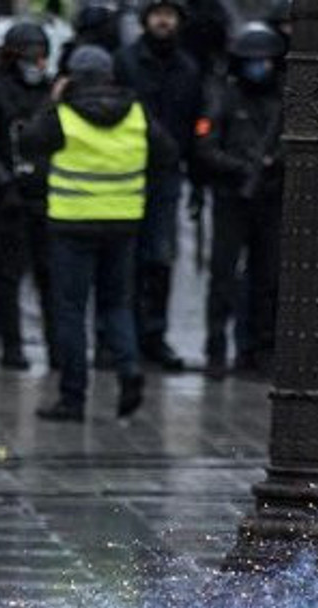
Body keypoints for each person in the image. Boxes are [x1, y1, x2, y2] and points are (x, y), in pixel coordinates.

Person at [20, 45, 177, 422]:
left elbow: (27, 142)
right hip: (123, 223)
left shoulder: (63, 114)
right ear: (109, 75)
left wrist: (50, 101)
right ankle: (130, 369)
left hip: (71, 224)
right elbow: (168, 153)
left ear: (72, 77)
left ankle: (73, 398)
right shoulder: (136, 112)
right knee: (117, 304)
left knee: (72, 311)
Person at [114, 0, 203, 372]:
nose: (163, 21)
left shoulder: (188, 67)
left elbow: (194, 124)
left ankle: (154, 334)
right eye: (157, 13)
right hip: (126, 171)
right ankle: (124, 335)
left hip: (167, 175)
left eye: (170, 14)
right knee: (126, 258)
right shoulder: (126, 61)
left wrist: (196, 179)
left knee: (160, 257)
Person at [196, 23, 285, 381]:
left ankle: (258, 351)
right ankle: (216, 350)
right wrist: (240, 168)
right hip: (232, 196)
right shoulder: (222, 96)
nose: (258, 67)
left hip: (269, 198)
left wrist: (273, 164)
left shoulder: (283, 99)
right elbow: (205, 147)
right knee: (223, 276)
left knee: (268, 277)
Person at [0, 22, 56, 370]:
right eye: (30, 54)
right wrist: (5, 184)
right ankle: (11, 345)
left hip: (45, 196)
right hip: (4, 199)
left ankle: (57, 348)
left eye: (41, 54)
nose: (36, 61)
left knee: (49, 275)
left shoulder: (49, 93)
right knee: (8, 274)